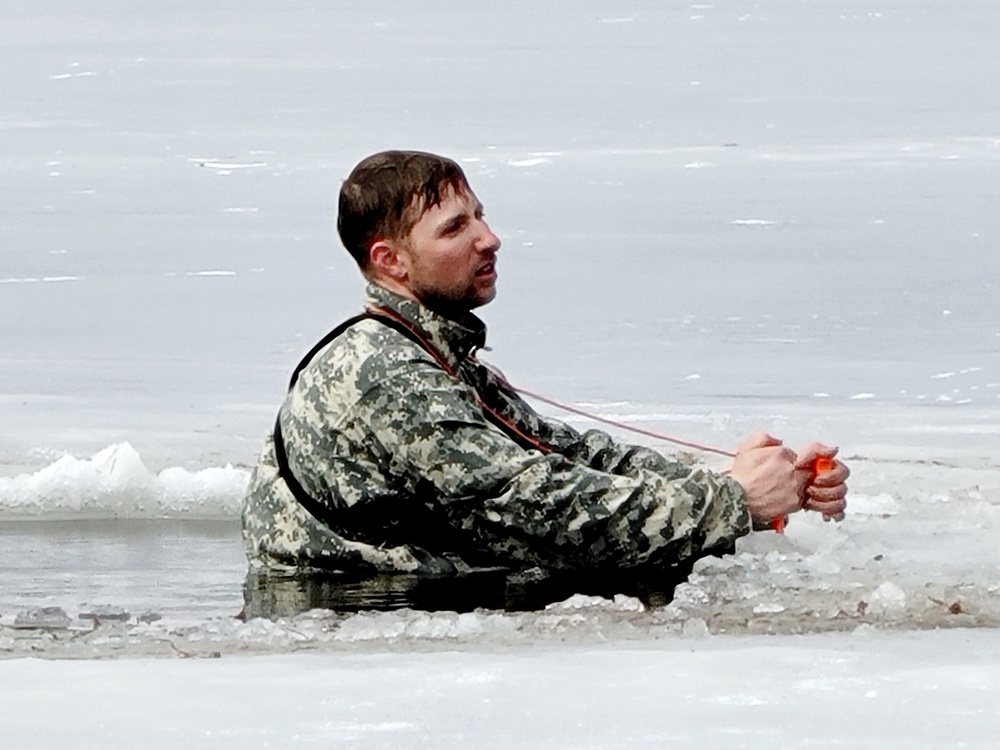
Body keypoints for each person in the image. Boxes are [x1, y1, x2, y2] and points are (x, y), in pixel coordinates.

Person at [241, 150, 848, 614]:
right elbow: (538, 507)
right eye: (455, 229)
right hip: (357, 620)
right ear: (390, 261)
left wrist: (754, 478)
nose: (489, 237)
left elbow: (566, 455)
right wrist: (732, 502)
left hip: (422, 595)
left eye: (480, 215)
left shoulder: (429, 348)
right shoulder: (388, 377)